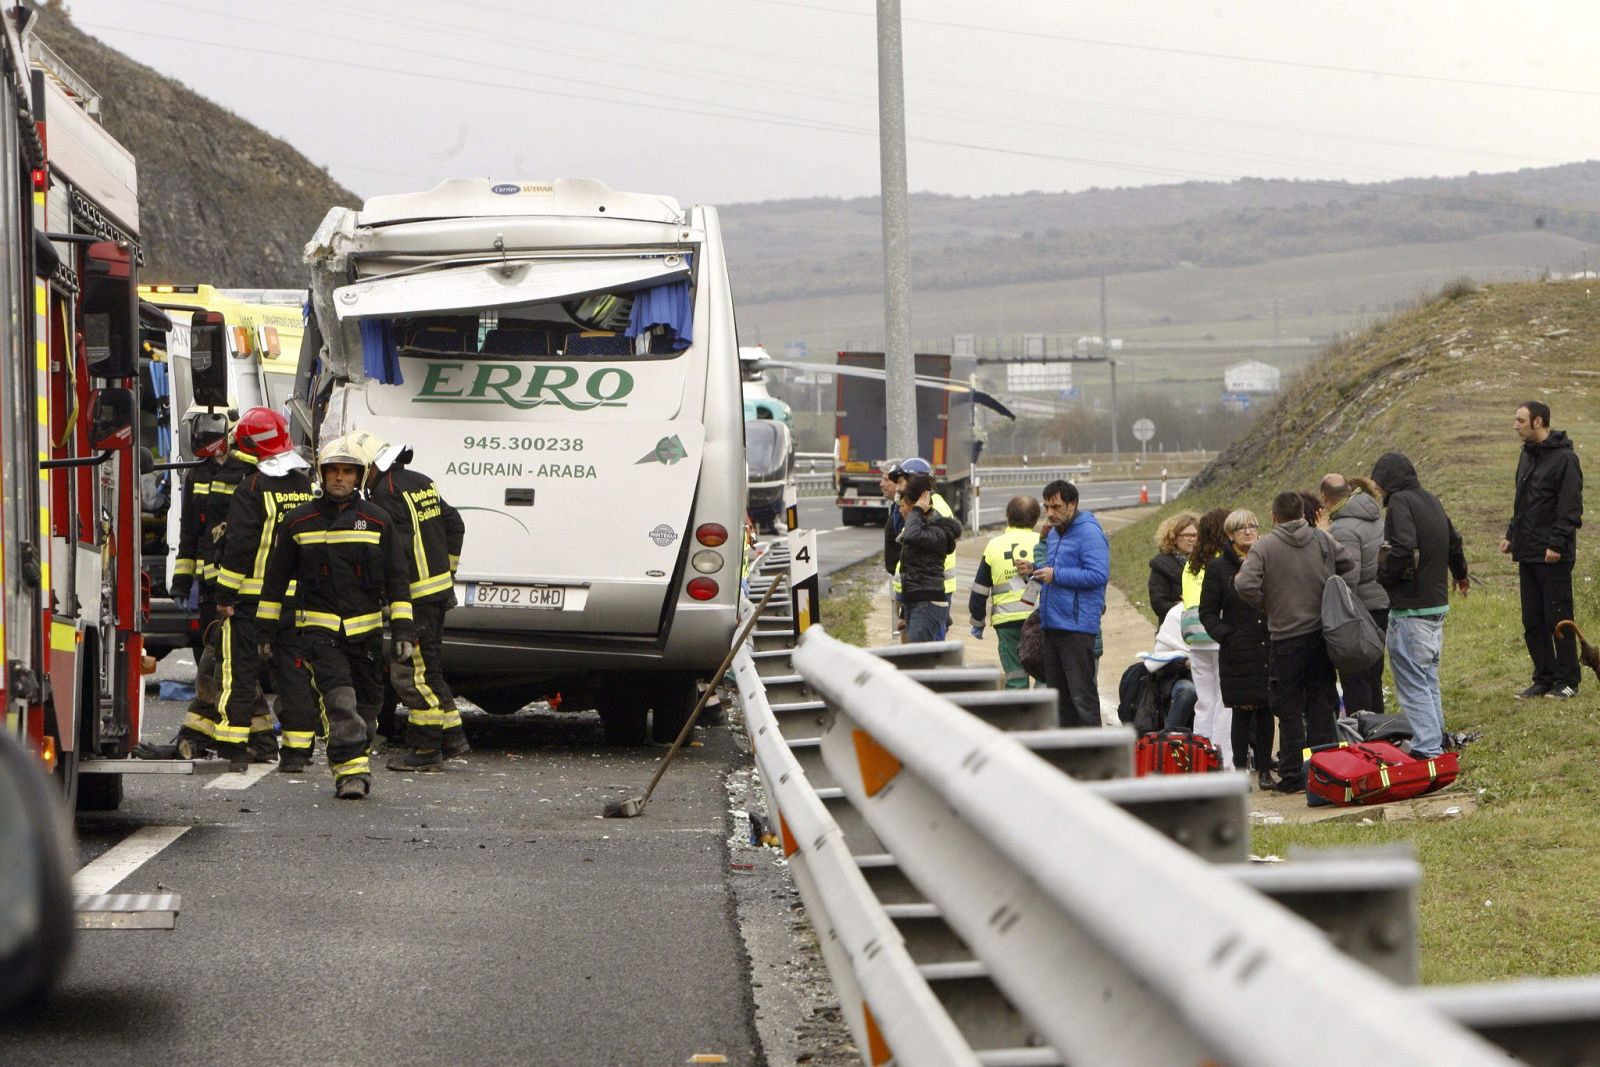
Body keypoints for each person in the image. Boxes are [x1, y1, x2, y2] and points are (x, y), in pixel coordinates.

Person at [260, 435, 416, 800]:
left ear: (359, 476)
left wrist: (404, 629)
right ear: (322, 474)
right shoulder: (299, 522)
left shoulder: (377, 521)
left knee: (367, 709)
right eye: (333, 471)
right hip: (319, 633)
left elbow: (397, 578)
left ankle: (355, 754)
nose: (340, 478)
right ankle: (351, 774)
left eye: (348, 472)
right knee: (340, 703)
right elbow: (274, 581)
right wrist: (265, 631)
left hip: (366, 636)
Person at [177, 408, 314, 770]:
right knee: (294, 677)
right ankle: (297, 753)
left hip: (250, 603)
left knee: (238, 673)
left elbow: (239, 548)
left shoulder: (252, 489)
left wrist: (225, 597)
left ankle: (235, 748)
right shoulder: (304, 487)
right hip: (295, 605)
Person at [345, 432, 472, 772]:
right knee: (429, 669)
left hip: (413, 598)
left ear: (370, 466)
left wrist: (383, 593)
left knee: (411, 675)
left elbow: (393, 550)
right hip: (437, 594)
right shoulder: (420, 481)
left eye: (357, 470)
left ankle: (426, 748)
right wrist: (447, 572)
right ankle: (452, 737)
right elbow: (455, 524)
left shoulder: (384, 493)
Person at [1235, 491, 1354, 792]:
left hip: (1285, 637)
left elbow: (1245, 584)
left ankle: (1292, 775)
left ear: (1274, 517)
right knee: (1321, 703)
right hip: (1320, 635)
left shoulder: (1264, 547)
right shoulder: (1321, 538)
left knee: (1288, 707)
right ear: (1303, 513)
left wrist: (1266, 603)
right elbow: (1348, 563)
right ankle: (1326, 771)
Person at [1373, 454, 1470, 760]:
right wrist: (1461, 574)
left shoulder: (1399, 502)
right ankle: (1437, 739)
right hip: (1435, 607)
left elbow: (1403, 546)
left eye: (1379, 482)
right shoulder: (1431, 500)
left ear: (1389, 480)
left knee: (1413, 684)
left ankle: (1427, 748)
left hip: (1410, 610)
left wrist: (1384, 577)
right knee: (1427, 680)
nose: (1378, 489)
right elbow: (1454, 541)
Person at [1502, 400, 1584, 700]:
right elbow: (1522, 502)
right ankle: (1544, 678)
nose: (1515, 426)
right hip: (1527, 551)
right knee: (1533, 620)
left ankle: (1568, 680)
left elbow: (1570, 507)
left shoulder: (1565, 460)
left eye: (1521, 420)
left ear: (1538, 422)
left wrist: (1556, 544)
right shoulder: (1526, 456)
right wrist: (1511, 535)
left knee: (1558, 617)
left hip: (1553, 555)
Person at [1019, 479, 1110, 729]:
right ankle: (1068, 748)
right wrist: (1035, 570)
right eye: (1046, 507)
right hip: (1052, 625)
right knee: (1060, 700)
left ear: (1072, 505)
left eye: (1056, 507)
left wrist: (1056, 575)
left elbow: (1098, 575)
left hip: (1077, 627)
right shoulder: (1055, 533)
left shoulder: (1089, 533)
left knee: (1081, 697)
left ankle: (1094, 747)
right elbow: (1056, 570)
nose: (1050, 513)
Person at [1199, 509, 1275, 789]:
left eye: (1253, 526)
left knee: (1266, 710)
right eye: (1241, 528)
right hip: (1237, 650)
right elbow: (1207, 612)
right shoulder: (1218, 568)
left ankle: (1265, 770)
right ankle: (1240, 771)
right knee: (1242, 712)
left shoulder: (1267, 559)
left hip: (1267, 645)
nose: (1248, 531)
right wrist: (1226, 636)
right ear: (1230, 534)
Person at [1322, 473, 1390, 714]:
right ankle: (1379, 728)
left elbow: (1347, 579)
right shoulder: (1373, 516)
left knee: (1356, 679)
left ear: (1325, 498)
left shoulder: (1342, 527)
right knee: (1374, 676)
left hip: (1358, 611)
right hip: (1381, 602)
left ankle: (1362, 732)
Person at [968, 495, 1043, 688]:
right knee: (1045, 674)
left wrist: (978, 621)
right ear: (1036, 518)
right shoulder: (1043, 542)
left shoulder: (994, 545)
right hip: (1039, 618)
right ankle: (1044, 706)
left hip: (1007, 622)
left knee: (1015, 676)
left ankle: (1017, 706)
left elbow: (979, 589)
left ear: (1008, 516)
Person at [888, 458, 959, 639]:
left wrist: (916, 510)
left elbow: (913, 537)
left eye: (901, 482)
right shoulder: (917, 513)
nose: (897, 488)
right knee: (918, 651)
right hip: (916, 593)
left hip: (930, 595)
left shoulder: (932, 511)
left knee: (926, 651)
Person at [1183, 508, 1233, 765]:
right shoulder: (1222, 562)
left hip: (1194, 637)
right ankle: (1223, 758)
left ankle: (1199, 758)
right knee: (1226, 702)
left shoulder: (1191, 564)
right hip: (1217, 632)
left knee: (1204, 701)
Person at [1147, 511, 1198, 624]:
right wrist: (1185, 607)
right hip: (1174, 625)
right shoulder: (1161, 565)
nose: (1192, 539)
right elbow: (1159, 604)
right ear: (1173, 538)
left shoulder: (1205, 562)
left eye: (1195, 535)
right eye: (1186, 535)